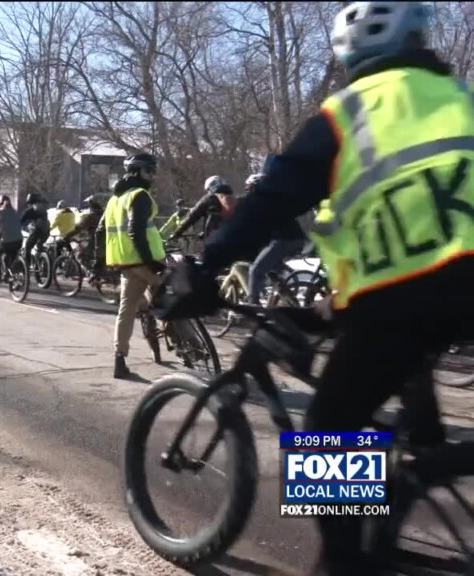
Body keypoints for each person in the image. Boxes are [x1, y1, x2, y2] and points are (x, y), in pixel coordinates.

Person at [157, 3, 471, 573]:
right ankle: (425, 460)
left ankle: (344, 565)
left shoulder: (352, 109)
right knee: (405, 385)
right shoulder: (461, 100)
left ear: (351, 51)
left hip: (405, 288)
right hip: (451, 285)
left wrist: (208, 266)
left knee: (328, 429)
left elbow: (275, 198)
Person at [100, 153, 167, 380]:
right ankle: (190, 346)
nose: (153, 177)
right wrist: (151, 262)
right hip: (144, 261)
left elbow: (101, 230)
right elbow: (135, 232)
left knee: (127, 310)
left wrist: (101, 262)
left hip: (124, 263)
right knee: (173, 297)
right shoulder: (140, 196)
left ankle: (119, 359)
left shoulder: (114, 200)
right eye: (150, 171)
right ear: (138, 172)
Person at [242, 172, 307, 304]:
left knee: (255, 270)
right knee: (273, 272)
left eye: (250, 188)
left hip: (283, 240)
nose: (248, 192)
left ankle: (252, 304)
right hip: (296, 239)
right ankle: (291, 300)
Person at [170, 176, 238, 242]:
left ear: (210, 187)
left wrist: (177, 233)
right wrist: (204, 232)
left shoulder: (209, 199)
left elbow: (192, 216)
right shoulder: (234, 199)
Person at [20, 193, 51, 260]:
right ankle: (45, 261)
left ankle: (26, 267)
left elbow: (21, 221)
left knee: (28, 247)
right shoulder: (43, 209)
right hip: (46, 230)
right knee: (39, 245)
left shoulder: (30, 210)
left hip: (37, 230)